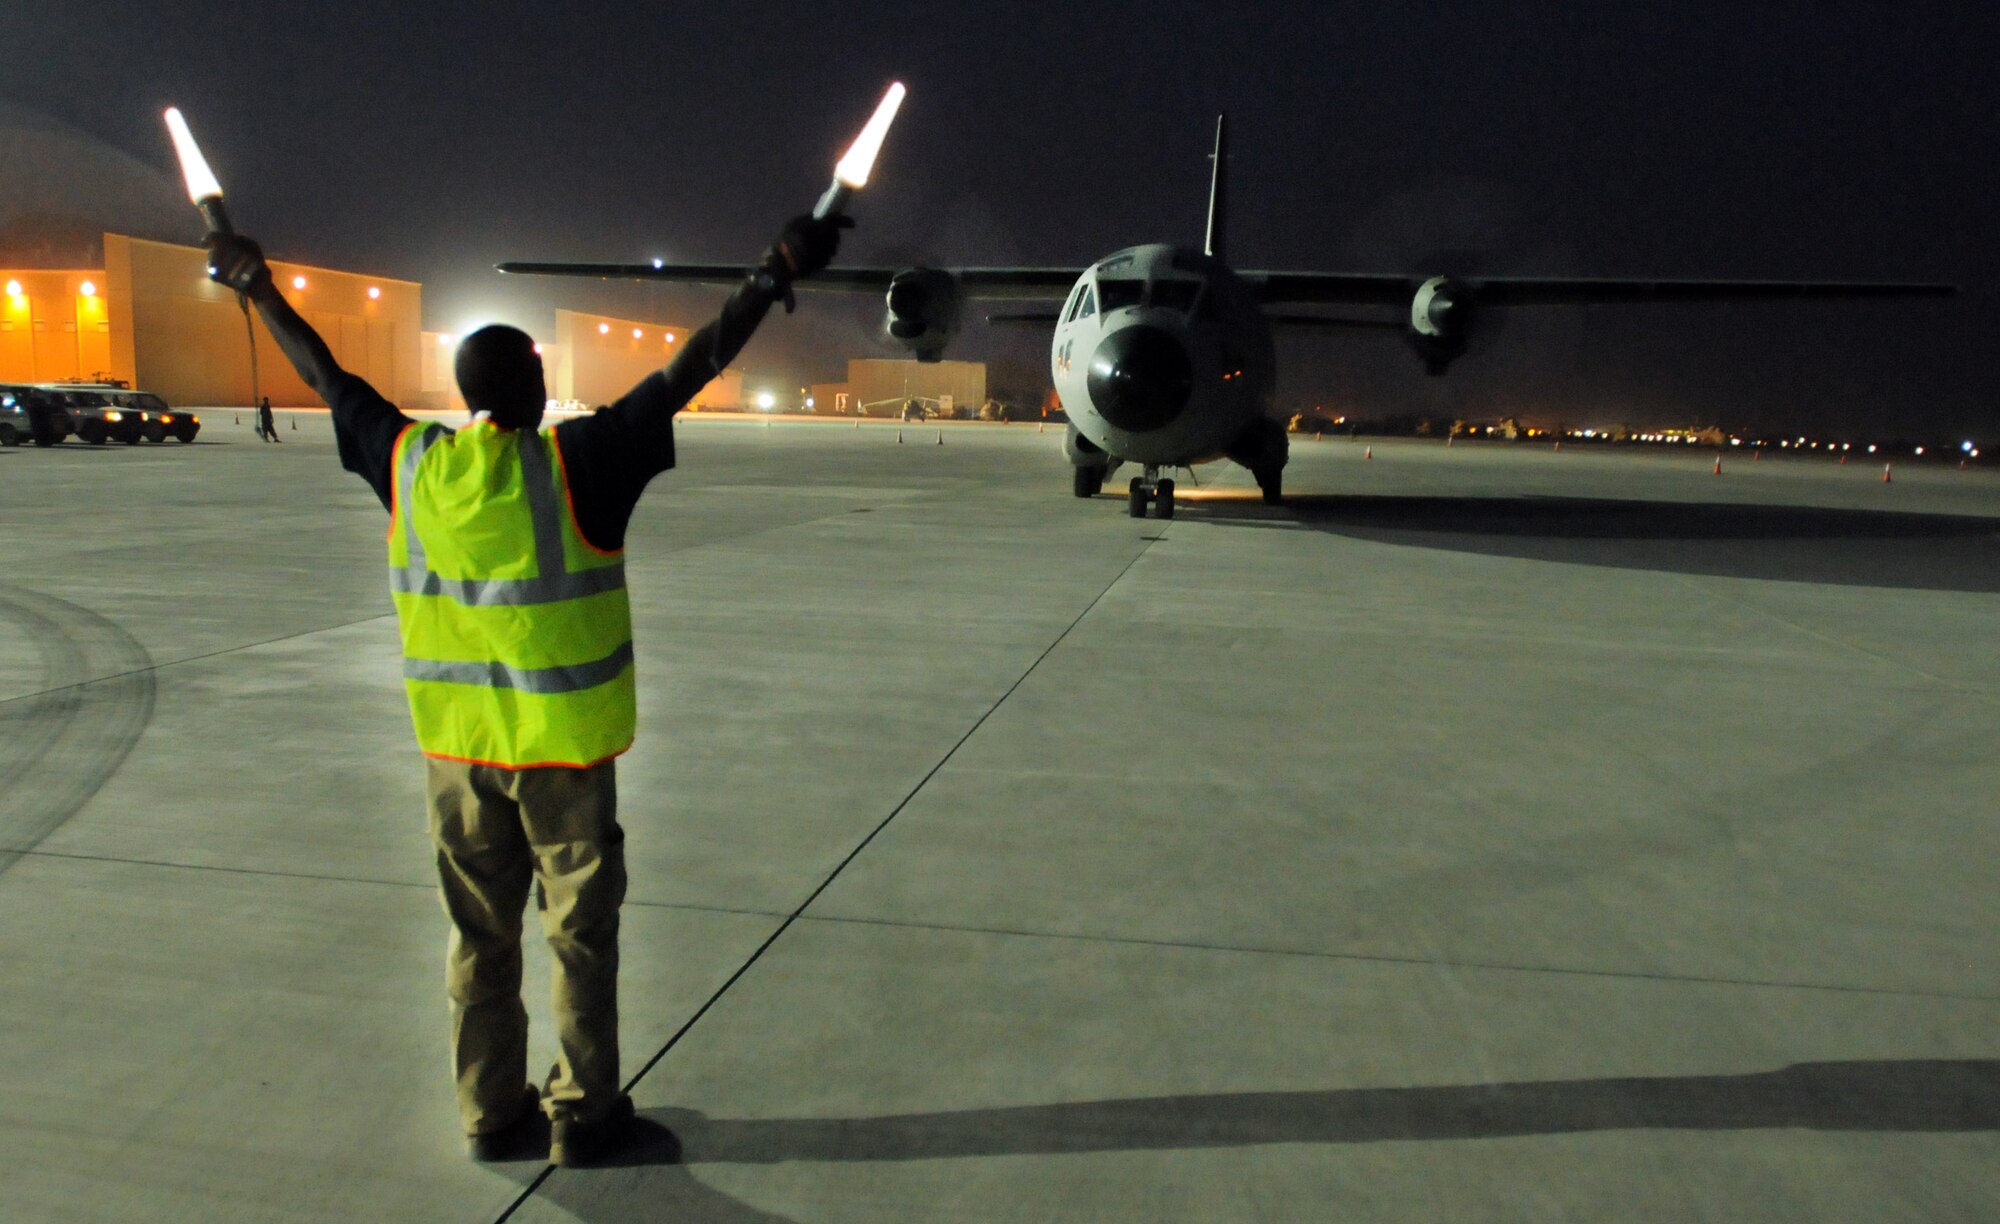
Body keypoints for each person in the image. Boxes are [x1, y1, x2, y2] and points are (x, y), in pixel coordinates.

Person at [206, 209, 850, 1166]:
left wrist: (256, 285)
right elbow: (686, 372)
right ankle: (585, 1116)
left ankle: (488, 1112)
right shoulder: (577, 463)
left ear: (464, 394)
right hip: (565, 759)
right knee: (580, 939)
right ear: (540, 386)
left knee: (479, 941)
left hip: (459, 758)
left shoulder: (413, 464)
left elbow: (325, 375)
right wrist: (769, 276)